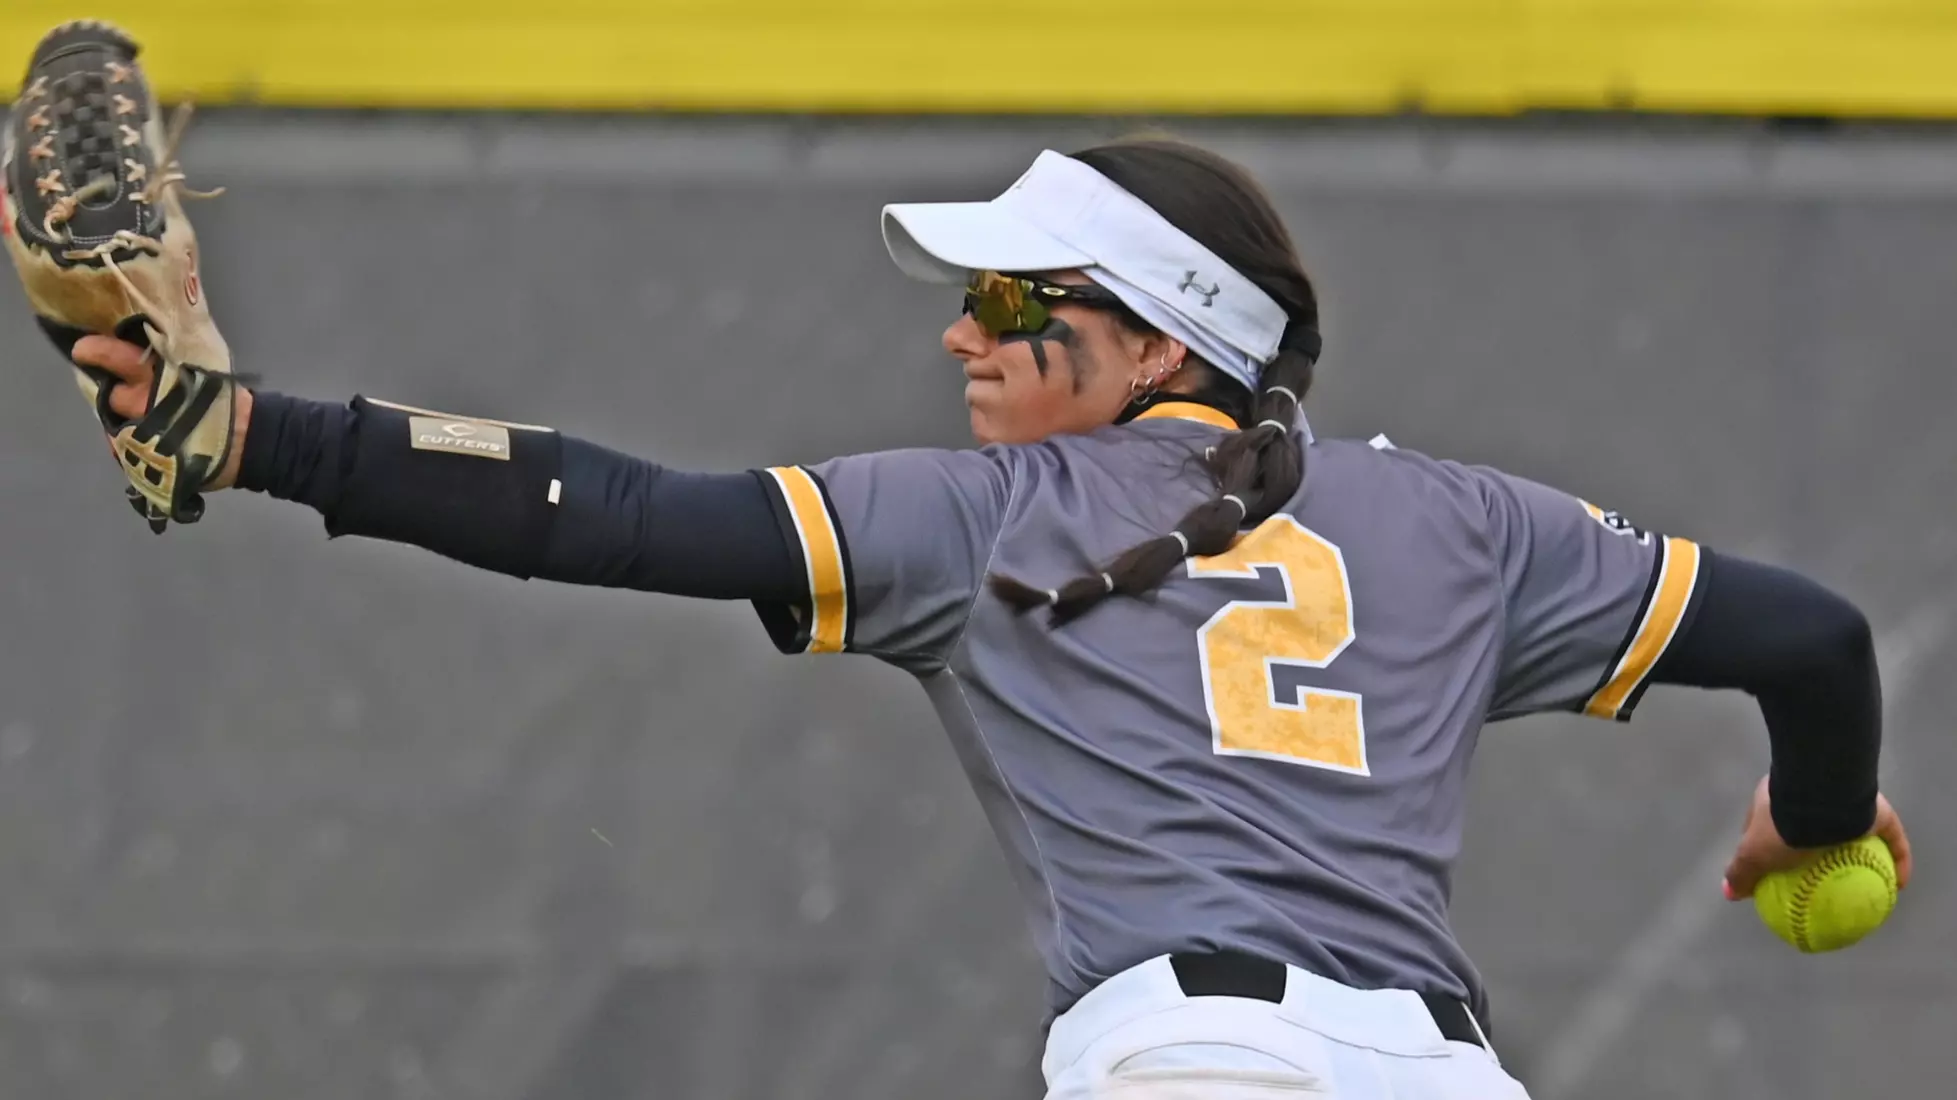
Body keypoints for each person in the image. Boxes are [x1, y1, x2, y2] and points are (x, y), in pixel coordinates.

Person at [63, 138, 1909, 1099]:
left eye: (1016, 296)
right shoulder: (1468, 519)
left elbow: (607, 513)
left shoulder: (978, 518)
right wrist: (1818, 819)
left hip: (1197, 1064)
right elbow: (1819, 644)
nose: (967, 328)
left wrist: (253, 433)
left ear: (1163, 341)